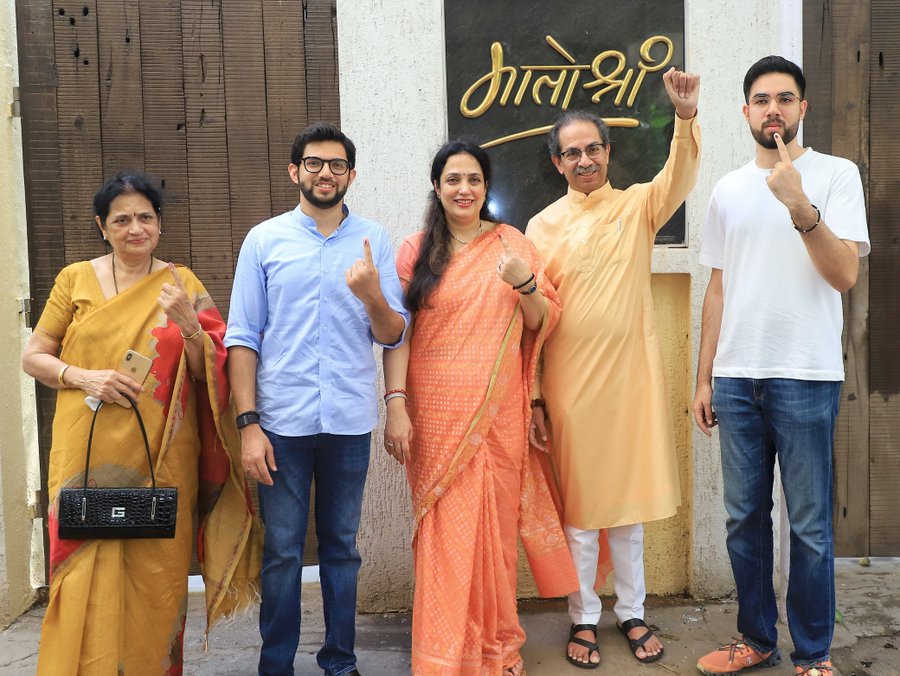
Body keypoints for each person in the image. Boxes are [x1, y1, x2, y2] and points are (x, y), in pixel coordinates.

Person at [21, 171, 261, 674]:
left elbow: (209, 372)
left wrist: (190, 324)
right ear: (101, 226)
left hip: (161, 457)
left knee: (156, 577)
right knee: (85, 569)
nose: (136, 228)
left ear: (159, 224)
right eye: (122, 219)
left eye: (146, 218)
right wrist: (84, 377)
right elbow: (34, 357)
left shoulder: (182, 283)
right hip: (85, 452)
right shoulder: (74, 280)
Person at [693, 56, 869, 676]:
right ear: (745, 112)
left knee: (811, 527)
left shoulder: (836, 175)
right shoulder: (727, 188)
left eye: (785, 99)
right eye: (762, 99)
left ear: (803, 110)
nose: (773, 109)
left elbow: (844, 274)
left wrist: (801, 207)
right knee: (744, 519)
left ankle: (814, 653)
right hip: (737, 378)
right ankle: (757, 639)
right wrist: (704, 375)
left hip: (806, 374)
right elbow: (717, 287)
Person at [525, 67, 702, 668]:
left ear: (608, 152)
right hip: (568, 389)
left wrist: (684, 118)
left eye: (593, 149)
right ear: (557, 163)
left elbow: (678, 177)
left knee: (626, 515)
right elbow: (531, 318)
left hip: (630, 383)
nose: (583, 160)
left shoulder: (636, 208)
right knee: (580, 513)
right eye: (571, 153)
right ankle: (583, 618)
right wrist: (534, 399)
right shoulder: (540, 227)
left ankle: (631, 611)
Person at [382, 140, 577, 676]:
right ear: (438, 187)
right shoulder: (414, 250)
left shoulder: (511, 244)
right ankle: (442, 654)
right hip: (435, 416)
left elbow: (541, 321)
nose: (463, 189)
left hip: (497, 416)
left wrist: (526, 284)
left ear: (487, 187)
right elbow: (398, 336)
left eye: (473, 179)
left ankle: (493, 647)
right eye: (453, 180)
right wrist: (394, 405)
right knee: (445, 534)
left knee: (493, 534)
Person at [225, 122, 409, 676]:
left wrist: (372, 294)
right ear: (294, 171)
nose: (324, 173)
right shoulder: (264, 239)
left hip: (348, 422)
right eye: (313, 163)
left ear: (351, 175)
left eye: (335, 165)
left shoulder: (374, 239)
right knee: (282, 551)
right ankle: (275, 664)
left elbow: (393, 333)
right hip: (280, 422)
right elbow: (242, 336)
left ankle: (340, 661)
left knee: (341, 550)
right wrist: (248, 424)